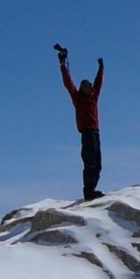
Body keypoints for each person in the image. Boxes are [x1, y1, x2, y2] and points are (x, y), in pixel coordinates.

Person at [58, 48, 105, 200]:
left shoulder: (93, 97)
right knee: (90, 163)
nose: (90, 86)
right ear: (81, 87)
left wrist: (101, 68)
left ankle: (92, 189)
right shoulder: (78, 98)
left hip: (95, 133)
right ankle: (89, 191)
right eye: (86, 85)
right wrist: (63, 64)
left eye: (90, 85)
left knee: (98, 164)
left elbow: (99, 82)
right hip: (86, 133)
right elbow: (68, 82)